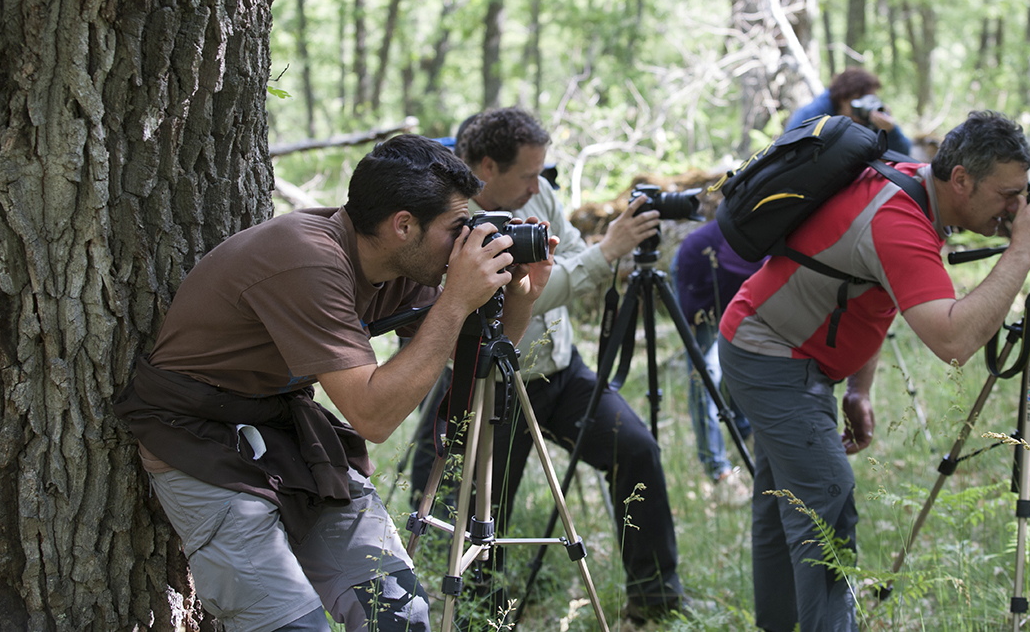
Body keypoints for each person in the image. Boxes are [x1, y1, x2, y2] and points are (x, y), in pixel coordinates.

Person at [114, 134, 556, 632]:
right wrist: (455, 301)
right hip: (194, 438)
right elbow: (373, 417)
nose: (466, 241)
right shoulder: (308, 258)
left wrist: (520, 297)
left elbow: (465, 361)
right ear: (403, 226)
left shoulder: (403, 261)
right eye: (457, 228)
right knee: (295, 627)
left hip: (282, 430)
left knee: (399, 613)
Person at [718, 110, 1030, 632]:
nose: (1016, 209)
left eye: (1023, 194)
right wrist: (1021, 251)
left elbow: (869, 297)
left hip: (771, 344)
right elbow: (953, 341)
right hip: (770, 353)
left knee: (784, 506)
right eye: (1006, 195)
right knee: (825, 507)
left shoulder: (913, 187)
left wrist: (859, 388)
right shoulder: (898, 219)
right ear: (962, 180)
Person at [411, 108, 689, 624]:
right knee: (482, 519)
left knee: (637, 450)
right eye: (528, 174)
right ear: (488, 167)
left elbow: (569, 261)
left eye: (542, 172)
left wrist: (581, 262)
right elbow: (526, 295)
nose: (540, 184)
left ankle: (655, 600)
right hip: (489, 383)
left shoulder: (536, 195)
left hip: (561, 371)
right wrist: (601, 255)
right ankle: (480, 614)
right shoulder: (447, 218)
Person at [670, 219, 762, 487]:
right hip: (699, 282)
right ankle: (717, 469)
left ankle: (745, 432)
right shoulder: (734, 245)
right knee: (705, 373)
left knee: (740, 360)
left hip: (732, 284)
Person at [785, 67, 913, 156]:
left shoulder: (868, 118)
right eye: (859, 102)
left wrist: (890, 131)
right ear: (842, 99)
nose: (864, 108)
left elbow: (903, 153)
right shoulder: (812, 116)